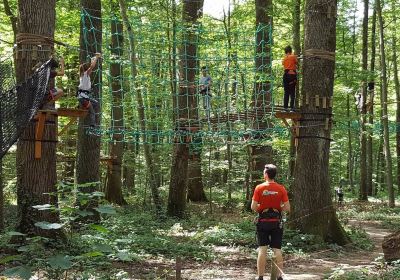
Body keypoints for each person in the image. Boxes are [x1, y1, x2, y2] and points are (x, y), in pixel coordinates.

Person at [251, 164, 290, 280]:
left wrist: (263, 210)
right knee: (277, 249)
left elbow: (253, 206)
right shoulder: (281, 188)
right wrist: (276, 209)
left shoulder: (259, 188)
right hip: (276, 222)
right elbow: (287, 207)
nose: (263, 174)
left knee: (262, 249)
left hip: (263, 221)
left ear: (266, 174)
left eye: (264, 172)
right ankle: (279, 276)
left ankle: (260, 277)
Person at [77, 53, 101, 127]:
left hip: (84, 96)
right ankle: (92, 124)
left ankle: (83, 106)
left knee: (96, 103)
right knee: (92, 112)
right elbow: (92, 66)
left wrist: (93, 59)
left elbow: (91, 66)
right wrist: (96, 57)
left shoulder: (83, 75)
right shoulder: (85, 74)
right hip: (83, 97)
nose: (90, 71)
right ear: (86, 70)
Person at [282, 46, 298, 112]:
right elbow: (297, 63)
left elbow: (283, 64)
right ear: (290, 51)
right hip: (292, 75)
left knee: (286, 92)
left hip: (285, 75)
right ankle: (291, 108)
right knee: (292, 92)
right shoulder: (293, 56)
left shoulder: (284, 58)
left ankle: (285, 108)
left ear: (285, 52)